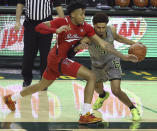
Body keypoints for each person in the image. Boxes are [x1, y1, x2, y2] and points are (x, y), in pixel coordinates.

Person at [3, 1, 138, 124]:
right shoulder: (62, 21)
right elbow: (39, 27)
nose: (83, 16)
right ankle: (85, 114)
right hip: (57, 59)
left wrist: (123, 56)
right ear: (73, 14)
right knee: (91, 76)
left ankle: (11, 98)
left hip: (58, 59)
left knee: (40, 85)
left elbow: (104, 44)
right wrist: (55, 30)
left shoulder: (86, 28)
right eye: (81, 14)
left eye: (84, 13)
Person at [70, 13, 141, 121]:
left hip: (112, 61)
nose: (101, 30)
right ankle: (103, 95)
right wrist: (79, 46)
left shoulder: (111, 30)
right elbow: (78, 45)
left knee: (116, 90)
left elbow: (119, 38)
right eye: (98, 27)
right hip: (97, 64)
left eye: (103, 27)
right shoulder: (89, 36)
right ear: (93, 25)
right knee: (97, 88)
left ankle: (133, 109)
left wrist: (135, 44)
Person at [14, 0, 64, 87]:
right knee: (28, 54)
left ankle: (43, 81)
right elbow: (20, 5)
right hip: (30, 25)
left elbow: (58, 7)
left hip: (46, 25)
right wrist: (17, 21)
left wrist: (63, 23)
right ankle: (27, 79)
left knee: (45, 55)